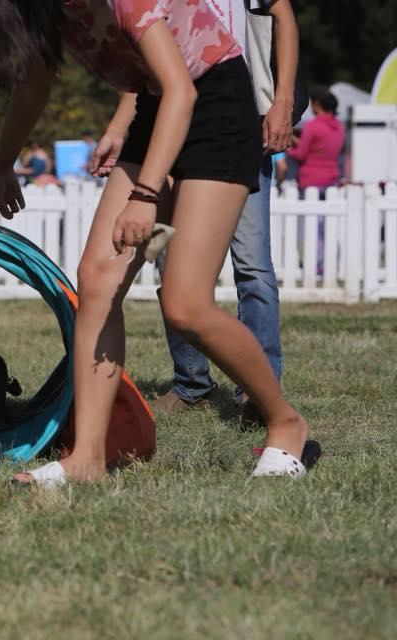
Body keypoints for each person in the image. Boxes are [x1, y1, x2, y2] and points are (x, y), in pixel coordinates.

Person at [0, 0, 313, 483]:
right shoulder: (47, 13)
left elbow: (183, 91)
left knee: (186, 304)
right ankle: (88, 459)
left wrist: (145, 194)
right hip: (155, 106)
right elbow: (35, 84)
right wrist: (1, 163)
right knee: (96, 279)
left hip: (215, 105)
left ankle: (287, 424)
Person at [155, 0, 301, 422]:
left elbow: (283, 15)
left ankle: (258, 390)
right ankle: (191, 383)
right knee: (165, 256)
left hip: (244, 124)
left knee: (252, 265)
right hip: (177, 122)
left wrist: (281, 101)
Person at [286, 89, 345, 197]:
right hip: (332, 180)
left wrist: (287, 150)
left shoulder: (312, 126)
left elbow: (300, 155)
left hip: (311, 180)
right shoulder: (339, 127)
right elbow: (318, 148)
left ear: (316, 103)